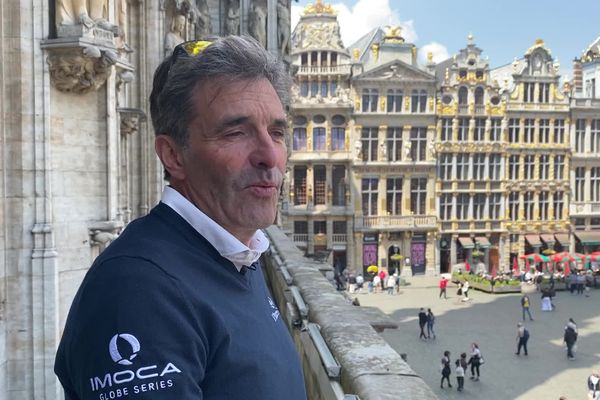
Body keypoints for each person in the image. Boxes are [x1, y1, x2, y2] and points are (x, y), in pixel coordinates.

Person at [54, 36, 307, 399]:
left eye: (277, 133)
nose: (270, 156)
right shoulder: (138, 290)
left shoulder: (239, 254)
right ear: (173, 155)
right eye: (236, 132)